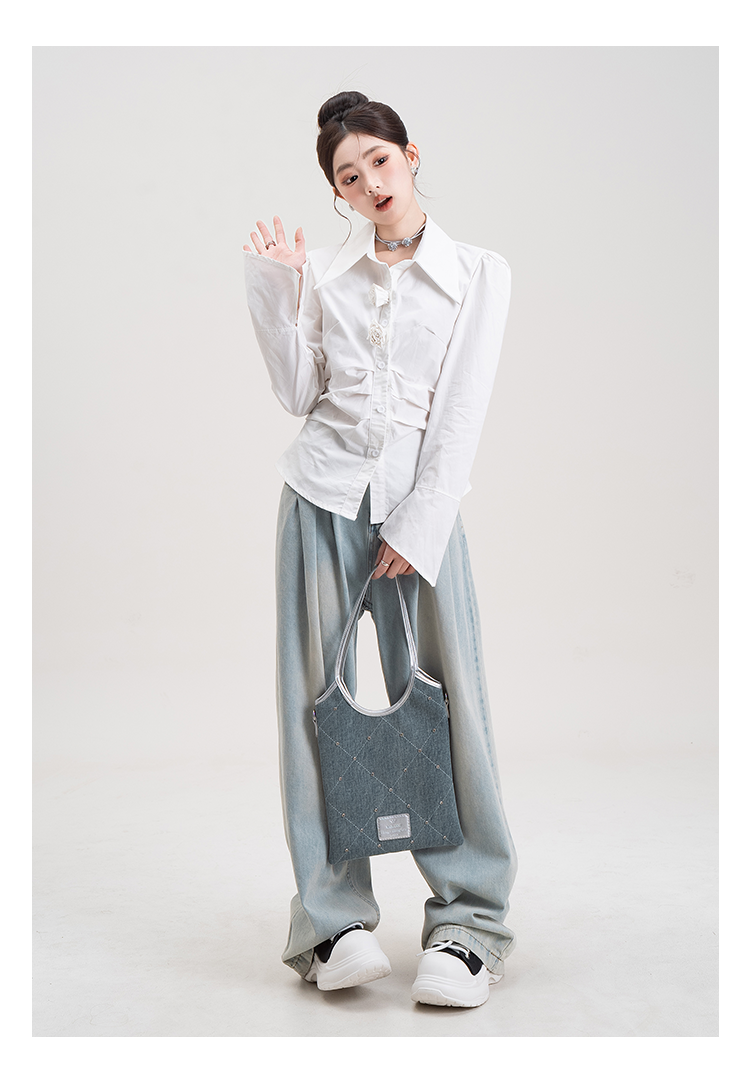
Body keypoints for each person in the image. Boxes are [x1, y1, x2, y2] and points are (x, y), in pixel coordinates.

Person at [243, 91, 517, 1009]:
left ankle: (470, 922)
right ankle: (332, 922)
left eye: (378, 162)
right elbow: (299, 392)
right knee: (312, 707)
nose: (369, 184)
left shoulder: (477, 273)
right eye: (348, 177)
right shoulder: (328, 271)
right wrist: (277, 289)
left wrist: (422, 519)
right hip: (319, 496)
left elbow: (462, 409)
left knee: (450, 702)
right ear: (339, 193)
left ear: (411, 154)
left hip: (418, 513)